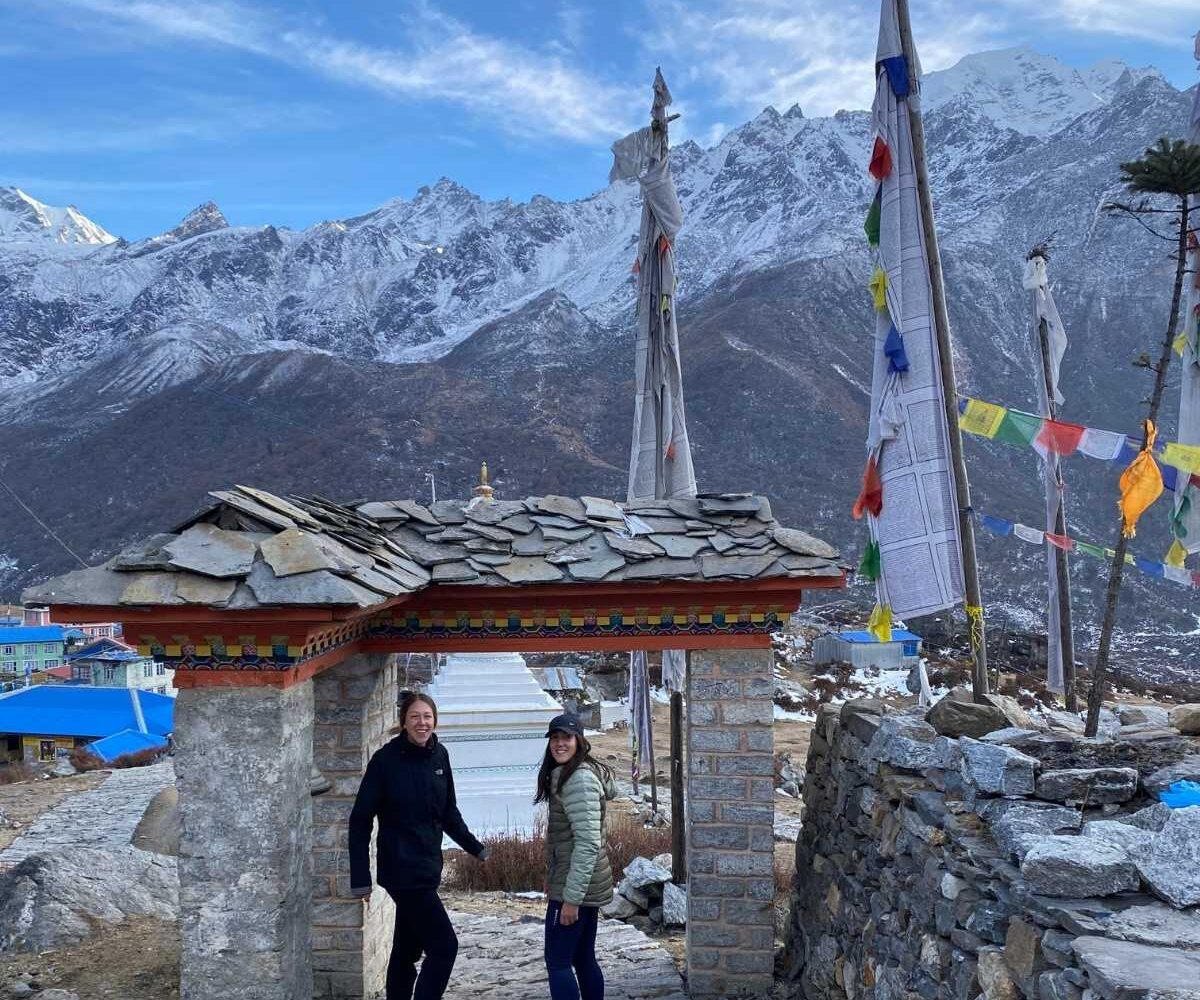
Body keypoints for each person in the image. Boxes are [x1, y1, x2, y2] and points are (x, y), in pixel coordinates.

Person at [349, 691, 487, 1000]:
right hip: (401, 870)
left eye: (427, 716)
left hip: (427, 867)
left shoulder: (440, 756)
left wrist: (474, 846)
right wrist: (360, 879)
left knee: (406, 949)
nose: (421, 722)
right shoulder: (385, 761)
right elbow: (360, 820)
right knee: (444, 947)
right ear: (404, 722)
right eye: (415, 717)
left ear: (435, 720)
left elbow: (448, 811)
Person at [535, 712, 616, 1000]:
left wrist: (570, 899)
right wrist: (552, 877)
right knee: (582, 958)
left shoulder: (578, 780)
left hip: (577, 887)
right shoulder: (572, 773)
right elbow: (565, 839)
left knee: (558, 962)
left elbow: (587, 843)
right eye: (554, 738)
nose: (559, 744)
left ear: (579, 741)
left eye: (566, 738)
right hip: (578, 881)